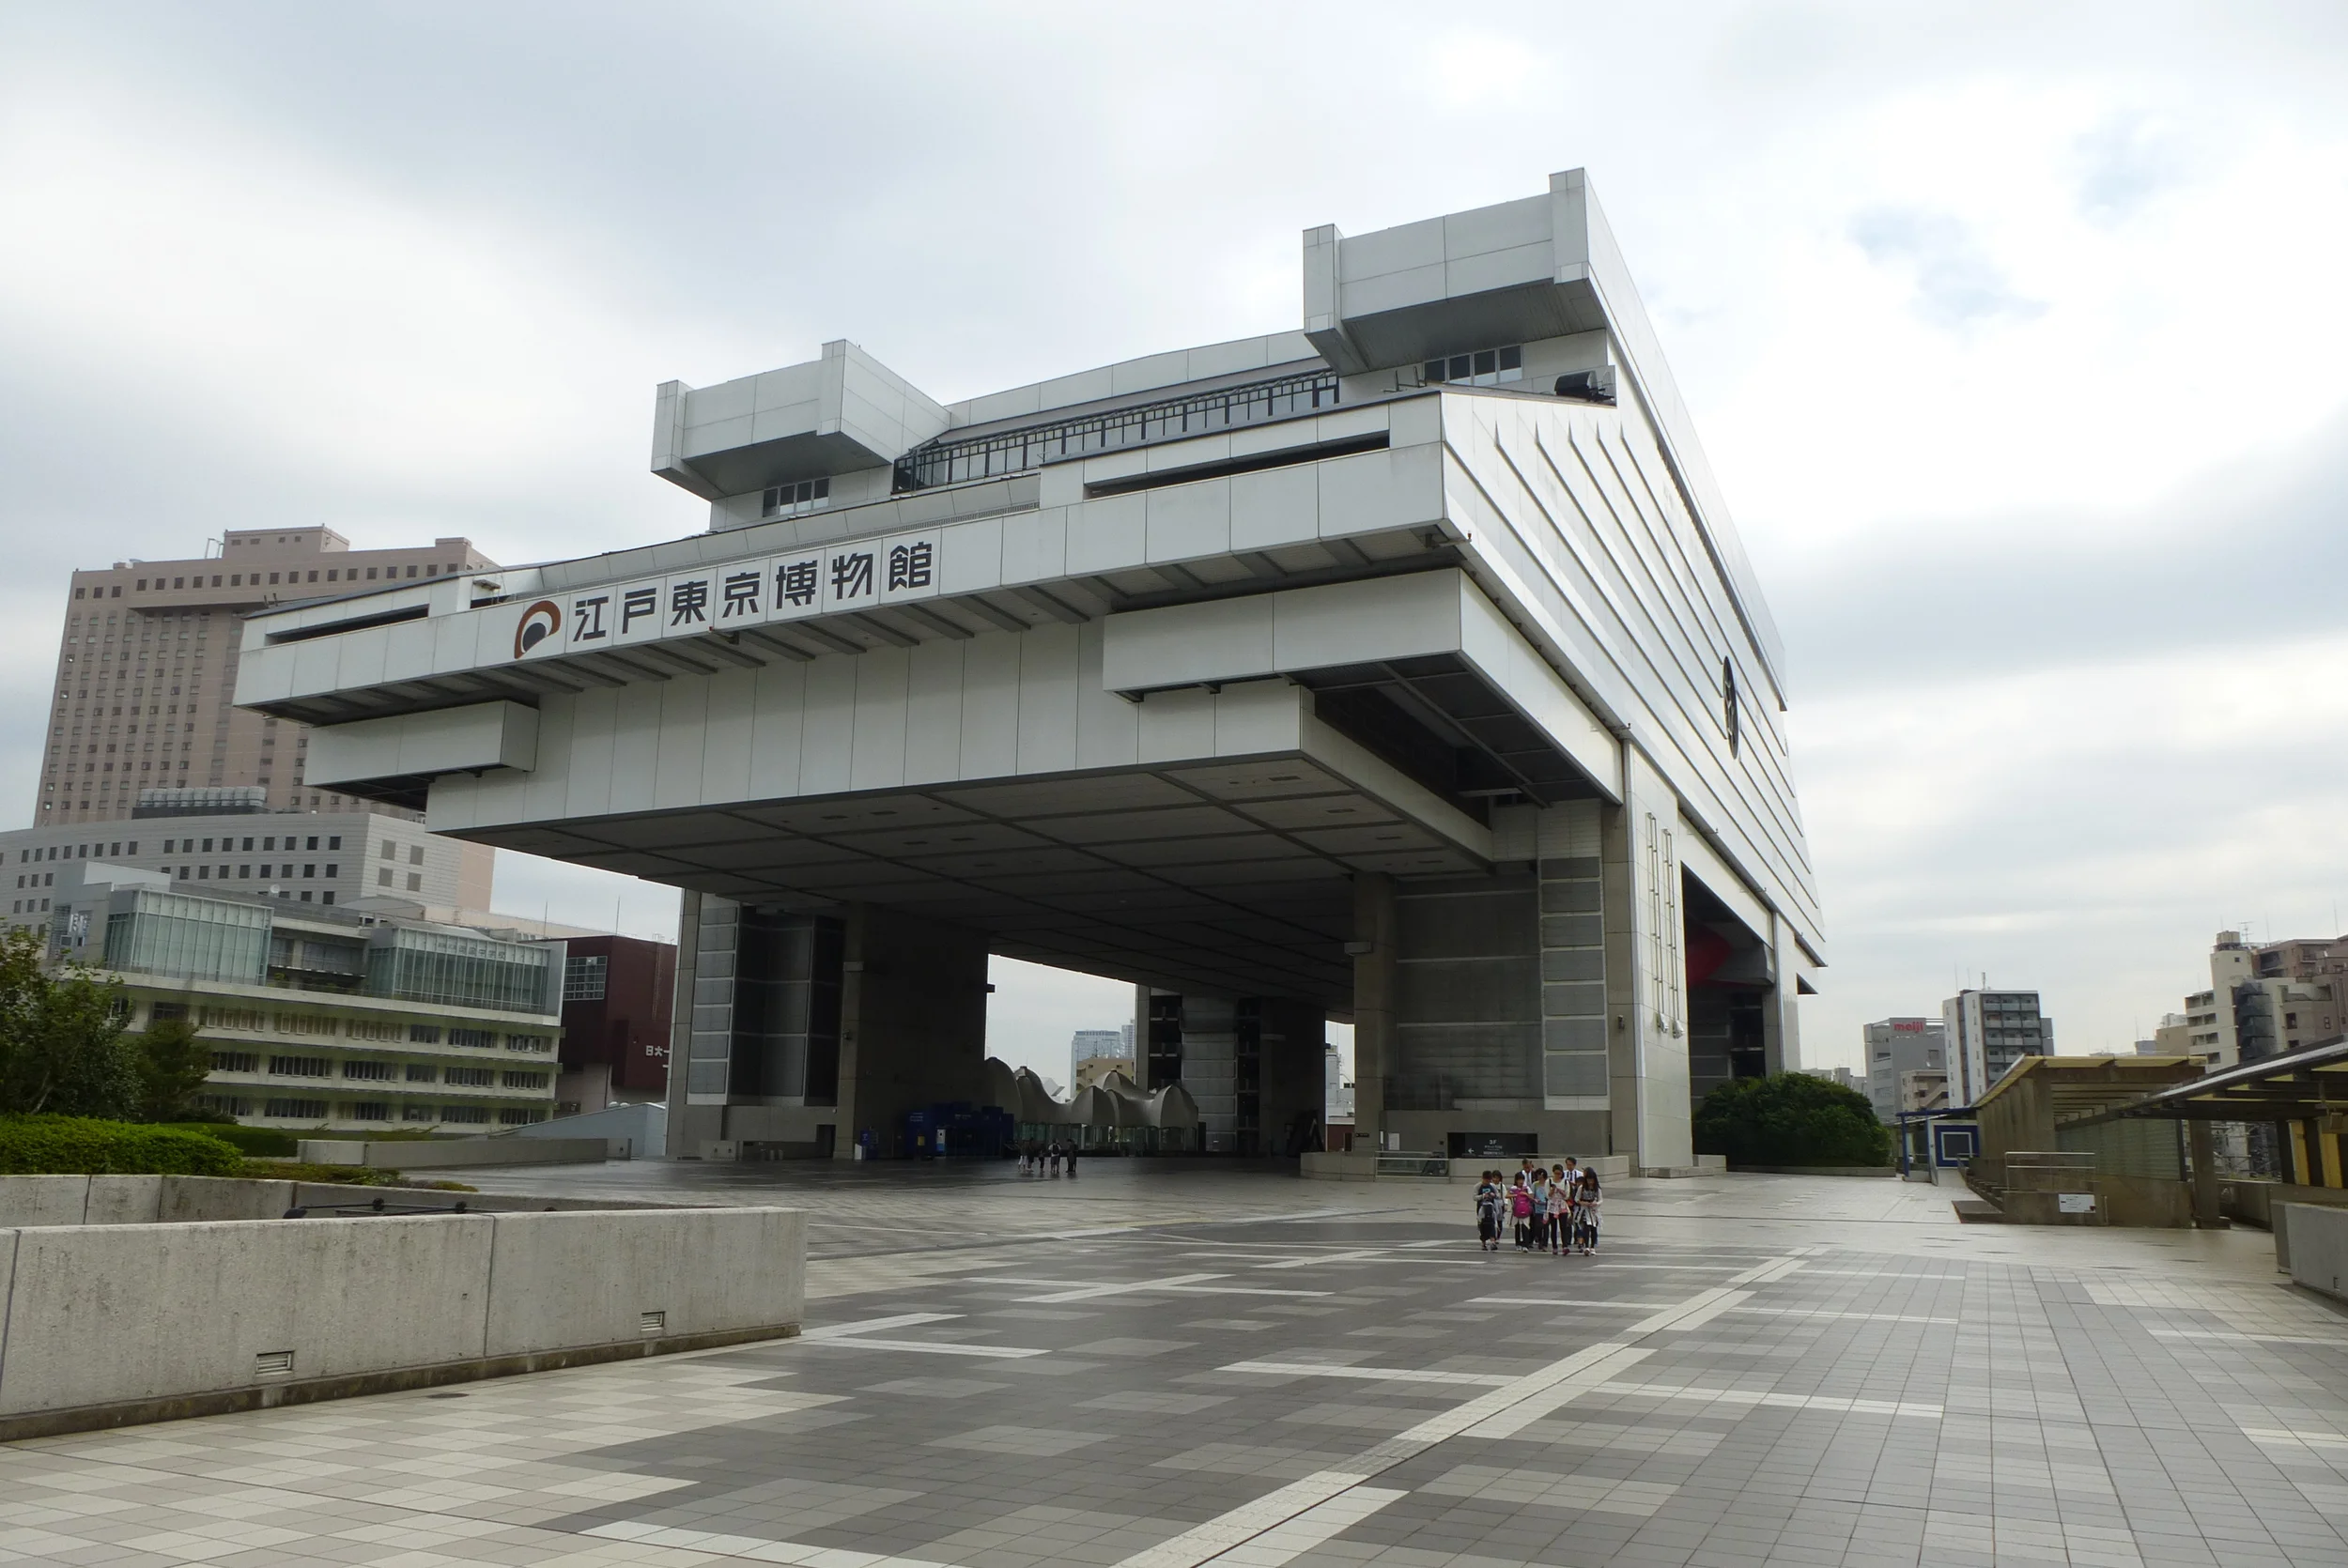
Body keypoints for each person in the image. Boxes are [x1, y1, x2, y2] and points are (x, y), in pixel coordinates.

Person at [1573, 1164, 1601, 1254]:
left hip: (1594, 1210)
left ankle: (1592, 1246)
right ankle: (1586, 1246)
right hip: (1584, 1210)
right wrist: (1582, 1203)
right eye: (1588, 1180)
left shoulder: (1597, 1189)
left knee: (1593, 1228)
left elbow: (1601, 1199)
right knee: (1586, 1227)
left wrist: (1596, 1203)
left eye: (1592, 1180)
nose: (1590, 1182)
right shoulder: (1581, 1188)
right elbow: (1576, 1199)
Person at [1475, 1170, 1503, 1251]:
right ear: (1483, 1178)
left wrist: (1494, 1195)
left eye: (1489, 1180)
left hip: (1491, 1208)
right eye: (1486, 1180)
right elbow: (1474, 1197)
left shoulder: (1492, 1186)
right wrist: (1482, 1196)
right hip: (1481, 1208)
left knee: (1492, 1224)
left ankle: (1493, 1242)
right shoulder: (1478, 1186)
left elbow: (1497, 1195)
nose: (1488, 1182)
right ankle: (1483, 1243)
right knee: (1482, 1225)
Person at [1509, 1173, 1534, 1251]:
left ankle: (1525, 1245)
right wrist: (1517, 1195)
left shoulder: (1527, 1188)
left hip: (1525, 1210)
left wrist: (1525, 1194)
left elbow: (1532, 1197)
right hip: (1517, 1210)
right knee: (1517, 1227)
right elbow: (1507, 1195)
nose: (1521, 1181)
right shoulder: (1513, 1188)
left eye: (1522, 1179)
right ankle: (1518, 1244)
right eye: (1519, 1180)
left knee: (1525, 1227)